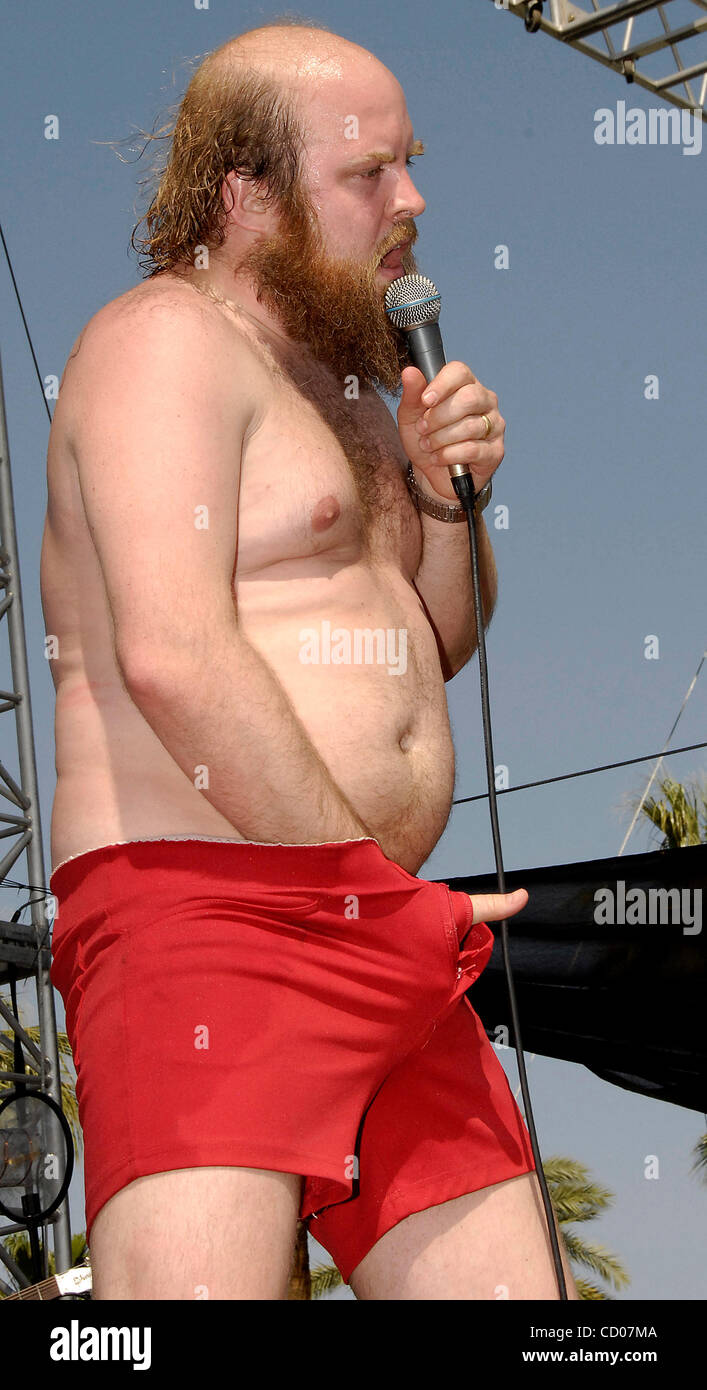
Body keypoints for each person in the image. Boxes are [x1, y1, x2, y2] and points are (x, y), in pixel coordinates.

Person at [42, 18, 579, 1300]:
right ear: (246, 194)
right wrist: (372, 898)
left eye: (409, 165)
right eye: (367, 173)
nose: (412, 200)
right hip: (204, 916)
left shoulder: (353, 390)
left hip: (375, 922)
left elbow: (434, 640)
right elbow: (172, 655)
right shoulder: (159, 345)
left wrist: (449, 496)